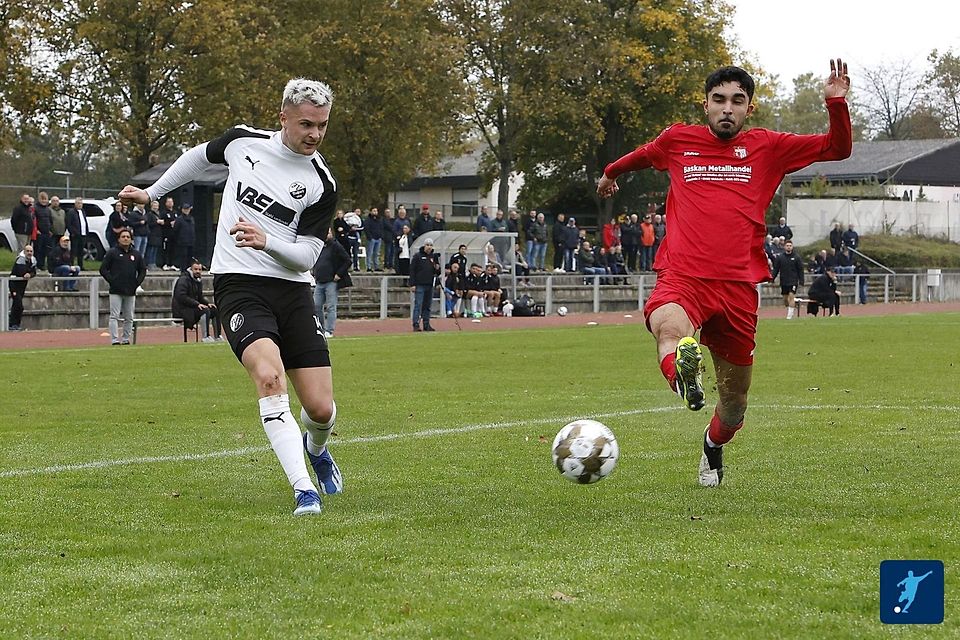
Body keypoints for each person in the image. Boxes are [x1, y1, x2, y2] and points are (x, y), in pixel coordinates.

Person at [597, 60, 852, 487]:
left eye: (737, 101)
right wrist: (610, 174)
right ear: (706, 105)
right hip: (684, 277)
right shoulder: (678, 140)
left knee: (734, 406)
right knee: (668, 328)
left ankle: (712, 445)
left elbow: (837, 149)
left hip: (737, 290)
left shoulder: (769, 147)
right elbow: (640, 156)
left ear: (749, 108)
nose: (727, 108)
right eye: (719, 100)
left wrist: (836, 105)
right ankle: (683, 370)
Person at [117, 77, 342, 516]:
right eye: (306, 124)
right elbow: (195, 159)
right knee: (270, 379)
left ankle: (316, 450)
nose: (314, 134)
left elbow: (305, 259)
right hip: (239, 286)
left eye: (322, 125)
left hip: (294, 291)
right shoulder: (243, 142)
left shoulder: (322, 183)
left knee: (320, 408)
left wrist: (267, 241)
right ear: (283, 118)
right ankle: (304, 491)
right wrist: (151, 193)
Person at [99, 229, 146, 344]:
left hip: (130, 290)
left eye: (128, 237)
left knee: (129, 317)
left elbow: (142, 270)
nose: (125, 239)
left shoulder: (136, 254)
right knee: (114, 316)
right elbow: (103, 269)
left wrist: (136, 283)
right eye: (123, 236)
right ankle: (115, 340)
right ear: (119, 239)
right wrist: (112, 281)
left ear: (131, 239)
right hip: (116, 290)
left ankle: (126, 339)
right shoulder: (112, 253)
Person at [312, 228, 352, 338]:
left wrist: (339, 274)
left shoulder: (335, 246)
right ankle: (320, 328)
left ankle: (329, 330)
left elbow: (347, 260)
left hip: (331, 282)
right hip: (320, 281)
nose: (326, 234)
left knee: (331, 307)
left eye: (328, 232)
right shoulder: (319, 246)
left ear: (331, 234)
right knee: (316, 306)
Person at [173, 259, 223, 342]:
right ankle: (205, 337)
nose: (198, 271)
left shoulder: (198, 281)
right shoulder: (184, 280)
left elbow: (200, 297)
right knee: (205, 310)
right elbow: (181, 296)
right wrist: (197, 304)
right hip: (183, 309)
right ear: (191, 269)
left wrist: (207, 303)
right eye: (195, 269)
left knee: (214, 309)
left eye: (200, 270)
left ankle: (218, 336)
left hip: (193, 307)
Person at [409, 236, 440, 331]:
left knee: (427, 306)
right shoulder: (418, 256)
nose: (429, 247)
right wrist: (412, 284)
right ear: (424, 245)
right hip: (419, 284)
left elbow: (437, 272)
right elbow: (412, 270)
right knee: (418, 305)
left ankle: (426, 324)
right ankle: (416, 324)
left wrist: (437, 268)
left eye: (431, 245)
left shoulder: (433, 257)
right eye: (427, 245)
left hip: (430, 284)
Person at [771, 239, 804, 319]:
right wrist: (772, 278)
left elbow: (800, 269)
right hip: (784, 281)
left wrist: (801, 281)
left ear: (792, 247)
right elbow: (776, 269)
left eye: (790, 246)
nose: (789, 247)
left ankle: (789, 316)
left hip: (793, 281)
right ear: (784, 247)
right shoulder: (780, 257)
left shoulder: (796, 257)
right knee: (786, 300)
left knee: (791, 296)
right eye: (787, 246)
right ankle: (792, 305)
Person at [8, 244, 37, 330]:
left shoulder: (32, 260)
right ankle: (13, 324)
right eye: (27, 251)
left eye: (31, 251)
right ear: (24, 252)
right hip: (14, 284)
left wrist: (30, 274)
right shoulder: (20, 259)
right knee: (18, 305)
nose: (29, 253)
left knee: (16, 305)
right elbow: (21, 271)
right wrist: (28, 273)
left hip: (22, 285)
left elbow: (34, 272)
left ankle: (15, 324)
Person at [66, 197, 89, 270]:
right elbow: (69, 223)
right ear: (75, 204)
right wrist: (72, 232)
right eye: (78, 203)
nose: (80, 205)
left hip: (83, 234)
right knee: (73, 251)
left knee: (81, 251)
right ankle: (71, 264)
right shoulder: (71, 212)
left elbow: (84, 222)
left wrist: (87, 231)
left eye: (81, 203)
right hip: (75, 235)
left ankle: (80, 265)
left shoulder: (83, 211)